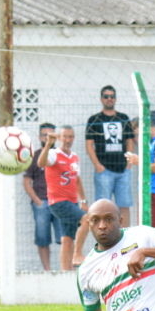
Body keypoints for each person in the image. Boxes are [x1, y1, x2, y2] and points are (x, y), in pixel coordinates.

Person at [85, 85, 136, 229]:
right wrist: (97, 166)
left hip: (123, 171)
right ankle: (105, 240)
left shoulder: (123, 118)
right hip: (104, 171)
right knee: (102, 209)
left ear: (115, 99)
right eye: (106, 96)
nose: (109, 99)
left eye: (112, 96)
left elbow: (130, 141)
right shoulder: (94, 120)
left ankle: (126, 237)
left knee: (124, 206)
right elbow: (89, 145)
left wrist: (129, 162)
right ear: (101, 98)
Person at [39, 126, 89, 271]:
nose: (68, 140)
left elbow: (77, 180)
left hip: (72, 201)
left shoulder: (74, 157)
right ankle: (78, 254)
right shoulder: (54, 154)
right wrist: (48, 144)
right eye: (65, 136)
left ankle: (65, 271)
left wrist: (83, 200)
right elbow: (41, 163)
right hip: (58, 202)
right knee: (87, 219)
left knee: (67, 239)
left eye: (71, 137)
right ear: (60, 138)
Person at [23, 122, 63, 271]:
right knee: (42, 238)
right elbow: (27, 181)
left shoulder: (60, 154)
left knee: (65, 238)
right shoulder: (34, 156)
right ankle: (47, 270)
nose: (47, 138)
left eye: (50, 135)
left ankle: (64, 270)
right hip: (42, 202)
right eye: (44, 135)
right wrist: (37, 201)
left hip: (59, 203)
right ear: (39, 137)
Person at [126, 121, 155, 232]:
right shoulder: (154, 142)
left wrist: (138, 161)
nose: (138, 137)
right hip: (148, 190)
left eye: (138, 133)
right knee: (143, 230)